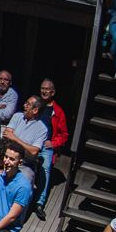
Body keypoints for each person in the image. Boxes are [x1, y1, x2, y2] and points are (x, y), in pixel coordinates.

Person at [0, 95, 49, 185]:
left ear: (35, 110)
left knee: (25, 180)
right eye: (26, 103)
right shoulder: (17, 116)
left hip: (25, 164)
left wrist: (15, 138)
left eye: (28, 104)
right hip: (7, 157)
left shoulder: (42, 129)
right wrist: (25, 146)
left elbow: (34, 151)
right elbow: (7, 134)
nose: (24, 105)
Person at [36, 79, 68, 208]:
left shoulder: (58, 111)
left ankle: (39, 202)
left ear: (53, 92)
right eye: (42, 88)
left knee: (45, 169)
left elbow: (64, 135)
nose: (44, 91)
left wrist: (54, 143)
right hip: (31, 141)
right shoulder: (35, 104)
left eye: (47, 89)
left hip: (45, 145)